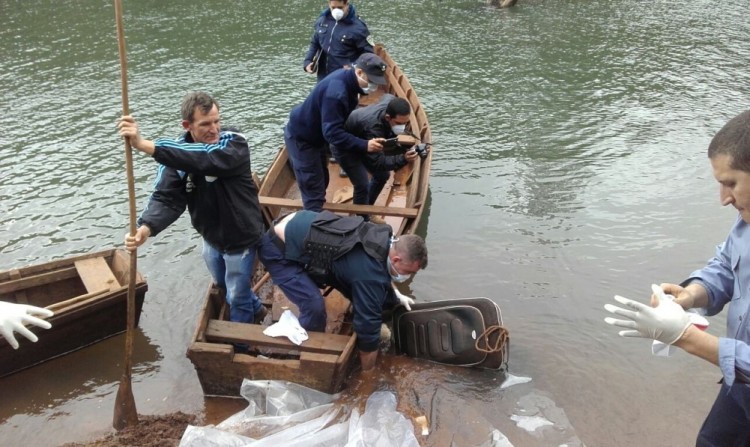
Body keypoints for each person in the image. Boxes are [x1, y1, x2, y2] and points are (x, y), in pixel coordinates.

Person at [604, 109, 750, 446]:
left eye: (731, 183)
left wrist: (684, 336)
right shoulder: (747, 221)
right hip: (739, 386)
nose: (723, 199)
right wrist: (691, 294)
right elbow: (726, 265)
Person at [117, 92, 267, 325]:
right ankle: (257, 308)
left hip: (241, 236)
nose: (214, 129)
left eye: (216, 121)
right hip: (211, 236)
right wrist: (145, 228)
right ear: (187, 126)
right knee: (222, 283)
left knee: (236, 296)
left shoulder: (233, 142)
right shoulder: (176, 156)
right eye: (205, 124)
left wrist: (144, 145)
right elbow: (167, 199)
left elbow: (205, 158)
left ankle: (242, 339)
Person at [257, 210, 428, 370]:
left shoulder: (385, 235)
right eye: (408, 272)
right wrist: (368, 373)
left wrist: (396, 295)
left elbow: (380, 274)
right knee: (314, 305)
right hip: (276, 249)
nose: (407, 277)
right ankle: (311, 354)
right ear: (396, 259)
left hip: (298, 223)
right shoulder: (367, 274)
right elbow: (368, 331)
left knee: (365, 291)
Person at [285, 52, 390, 212]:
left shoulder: (348, 79)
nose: (374, 87)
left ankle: (318, 213)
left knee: (323, 180)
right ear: (359, 72)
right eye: (372, 81)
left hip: (318, 137)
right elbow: (332, 133)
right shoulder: (336, 93)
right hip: (302, 139)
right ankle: (312, 223)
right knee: (313, 191)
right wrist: (364, 145)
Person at [332, 94, 418, 215]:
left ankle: (368, 209)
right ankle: (361, 219)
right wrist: (403, 158)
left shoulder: (390, 102)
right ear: (388, 117)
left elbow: (387, 95)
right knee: (362, 185)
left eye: (405, 123)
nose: (402, 127)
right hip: (345, 147)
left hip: (364, 139)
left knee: (382, 176)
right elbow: (378, 163)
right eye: (399, 123)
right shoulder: (373, 128)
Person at [303, 0, 374, 83]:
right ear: (329, 4)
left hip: (345, 78)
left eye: (340, 8)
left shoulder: (359, 28)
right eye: (333, 8)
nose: (336, 11)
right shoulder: (322, 20)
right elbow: (315, 42)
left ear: (347, 4)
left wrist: (353, 66)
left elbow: (369, 54)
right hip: (323, 77)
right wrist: (308, 61)